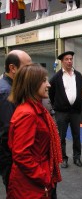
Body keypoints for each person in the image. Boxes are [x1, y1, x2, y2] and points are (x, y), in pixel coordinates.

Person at [7, 63, 62, 198]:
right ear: (32, 84)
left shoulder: (35, 109)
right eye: (44, 81)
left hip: (34, 179)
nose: (48, 85)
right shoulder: (28, 114)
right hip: (30, 185)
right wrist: (44, 177)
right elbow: (21, 155)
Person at [0, 50, 32, 193]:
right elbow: (8, 134)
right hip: (11, 160)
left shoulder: (11, 88)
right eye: (27, 68)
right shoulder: (7, 93)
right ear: (13, 68)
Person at [49, 51, 82, 168]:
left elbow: (79, 91)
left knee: (77, 135)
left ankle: (77, 157)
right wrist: (55, 107)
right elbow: (51, 94)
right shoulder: (55, 78)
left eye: (71, 59)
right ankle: (63, 158)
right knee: (61, 137)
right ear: (62, 61)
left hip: (75, 112)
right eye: (67, 59)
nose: (69, 61)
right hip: (61, 112)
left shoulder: (78, 75)